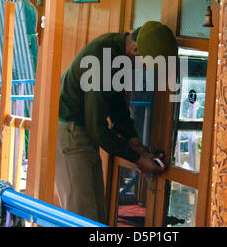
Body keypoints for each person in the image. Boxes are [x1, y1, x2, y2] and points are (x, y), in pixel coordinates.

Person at [55, 21, 178, 224]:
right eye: (146, 64)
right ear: (135, 49)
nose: (145, 69)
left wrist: (132, 139)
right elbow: (97, 129)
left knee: (97, 218)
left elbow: (116, 104)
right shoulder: (103, 61)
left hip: (81, 134)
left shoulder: (118, 51)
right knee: (82, 218)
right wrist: (137, 159)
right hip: (70, 135)